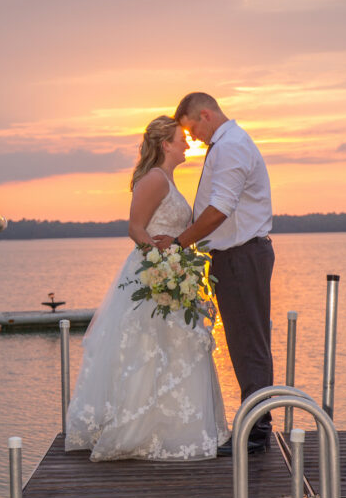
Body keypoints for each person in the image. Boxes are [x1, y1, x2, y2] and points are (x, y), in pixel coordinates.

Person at [65, 115, 229, 461]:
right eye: (181, 138)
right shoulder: (154, 179)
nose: (187, 143)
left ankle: (168, 429)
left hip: (172, 274)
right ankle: (138, 429)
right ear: (165, 144)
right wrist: (162, 264)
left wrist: (176, 265)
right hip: (154, 276)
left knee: (173, 351)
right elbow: (135, 228)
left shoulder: (168, 179)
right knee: (147, 351)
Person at [155, 93, 274, 455]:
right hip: (236, 257)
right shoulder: (226, 144)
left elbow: (220, 208)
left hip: (242, 256)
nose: (192, 138)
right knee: (244, 342)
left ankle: (256, 432)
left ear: (205, 115)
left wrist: (180, 242)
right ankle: (255, 425)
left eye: (192, 129)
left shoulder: (231, 146)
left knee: (248, 343)